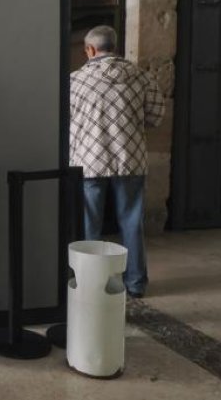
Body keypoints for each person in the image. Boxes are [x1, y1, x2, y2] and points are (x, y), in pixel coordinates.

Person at [69, 25, 165, 299]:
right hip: (130, 159)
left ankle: (90, 282)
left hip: (88, 161)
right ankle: (136, 283)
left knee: (90, 226)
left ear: (89, 50)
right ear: (115, 46)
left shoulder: (75, 81)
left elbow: (65, 122)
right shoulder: (141, 77)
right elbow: (156, 116)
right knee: (132, 222)